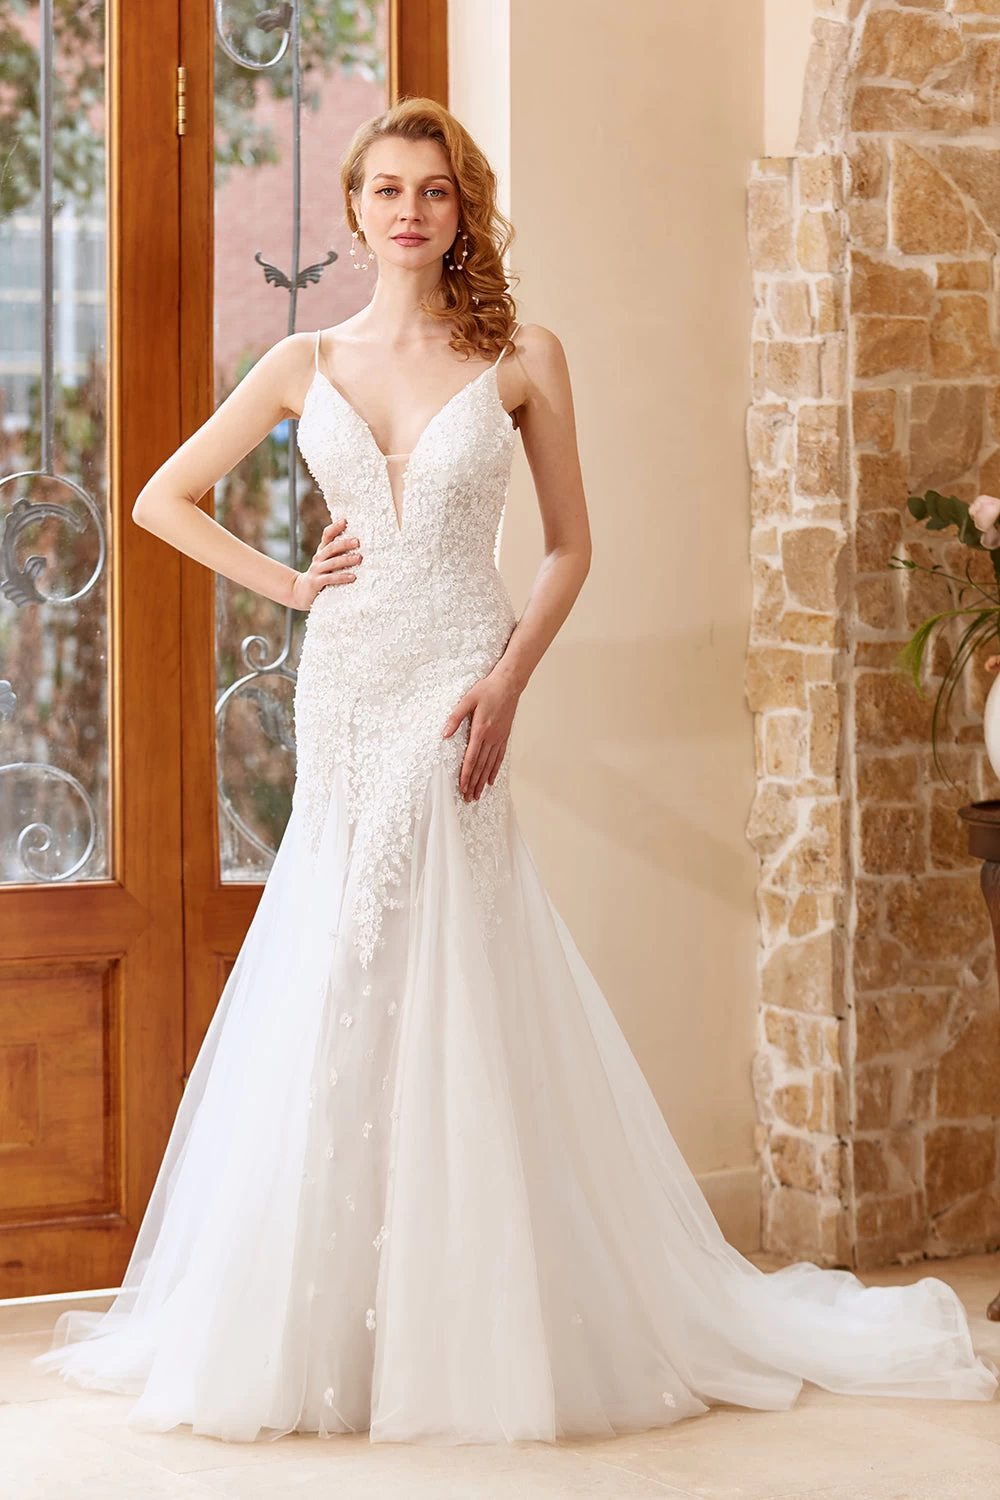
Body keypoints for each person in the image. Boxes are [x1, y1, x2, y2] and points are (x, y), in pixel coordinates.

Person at [32, 97, 998, 1446]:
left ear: (461, 207)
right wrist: (293, 587)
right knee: (344, 953)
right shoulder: (304, 360)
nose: (410, 209)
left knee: (444, 950)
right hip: (350, 683)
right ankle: (329, 1312)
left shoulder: (523, 356)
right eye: (387, 188)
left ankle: (468, 1309)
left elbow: (569, 546)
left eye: (433, 189)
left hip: (459, 674)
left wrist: (507, 682)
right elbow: (159, 497)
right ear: (355, 209)